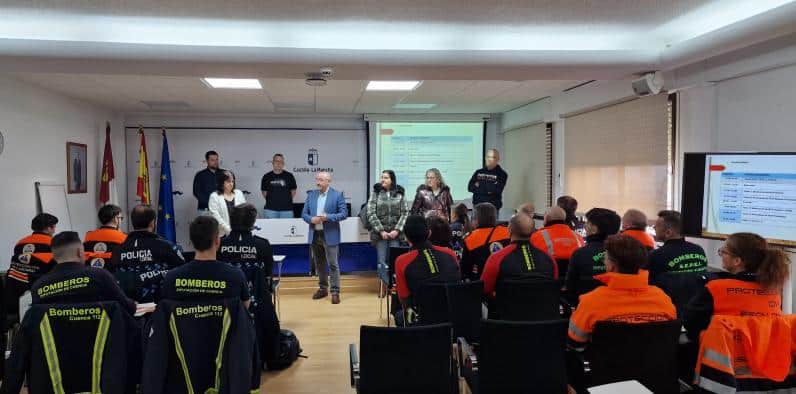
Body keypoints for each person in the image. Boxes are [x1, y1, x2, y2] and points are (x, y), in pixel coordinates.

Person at [683, 232, 789, 341]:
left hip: (721, 355)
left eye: (723, 252)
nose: (721, 255)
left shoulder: (716, 288)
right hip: (762, 356)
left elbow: (690, 323)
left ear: (737, 261)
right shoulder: (773, 291)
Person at [32, 231, 136, 315]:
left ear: (54, 256)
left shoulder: (38, 287)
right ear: (79, 252)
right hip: (102, 339)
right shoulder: (100, 276)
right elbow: (128, 308)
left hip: (54, 340)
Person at [161, 216, 251, 308]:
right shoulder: (235, 276)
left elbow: (167, 310)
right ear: (217, 241)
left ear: (192, 241)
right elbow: (244, 308)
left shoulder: (172, 277)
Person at [109, 205, 184, 303]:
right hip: (159, 308)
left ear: (132, 223)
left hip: (125, 308)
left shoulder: (117, 251)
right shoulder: (166, 247)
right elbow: (183, 269)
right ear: (152, 223)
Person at [394, 215, 460, 323]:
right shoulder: (450, 253)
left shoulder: (401, 261)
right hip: (452, 319)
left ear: (406, 237)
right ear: (429, 233)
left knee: (399, 315)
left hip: (422, 323)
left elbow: (404, 301)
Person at [481, 213, 557, 297]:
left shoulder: (496, 258)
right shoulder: (549, 259)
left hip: (506, 308)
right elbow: (552, 288)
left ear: (509, 230)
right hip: (544, 308)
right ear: (533, 231)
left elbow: (484, 289)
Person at [302, 172, 348, 304]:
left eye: (321, 180)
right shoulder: (311, 195)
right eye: (317, 179)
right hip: (315, 234)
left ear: (329, 181)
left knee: (333, 264)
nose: (318, 182)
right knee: (319, 264)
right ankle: (323, 289)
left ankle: (335, 291)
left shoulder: (337, 195)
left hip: (330, 234)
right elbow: (304, 214)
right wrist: (312, 219)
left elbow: (344, 214)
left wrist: (328, 217)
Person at [5, 213, 58, 315]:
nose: (54, 231)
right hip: (44, 292)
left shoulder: (20, 243)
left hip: (17, 290)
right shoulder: (54, 243)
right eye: (53, 227)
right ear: (48, 228)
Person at [564, 208, 621, 302]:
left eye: (587, 222)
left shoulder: (580, 254)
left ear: (594, 229)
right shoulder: (626, 253)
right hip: (619, 308)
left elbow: (570, 288)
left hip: (586, 307)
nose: (585, 225)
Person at [367, 170, 408, 291]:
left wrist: (397, 230)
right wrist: (381, 231)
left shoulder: (400, 193)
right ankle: (383, 285)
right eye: (382, 177)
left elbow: (405, 213)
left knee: (395, 260)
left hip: (395, 234)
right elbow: (370, 213)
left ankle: (394, 286)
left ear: (392, 180)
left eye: (386, 178)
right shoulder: (376, 193)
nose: (382, 180)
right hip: (381, 235)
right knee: (381, 261)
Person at [219, 203, 275, 278]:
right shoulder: (263, 244)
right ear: (252, 223)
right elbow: (268, 274)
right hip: (255, 288)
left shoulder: (218, 243)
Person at [647, 210, 707, 279]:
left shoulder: (656, 256)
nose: (654, 228)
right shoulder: (699, 250)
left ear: (668, 233)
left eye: (657, 226)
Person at [460, 203, 510, 281]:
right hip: (507, 279)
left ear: (476, 220)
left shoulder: (470, 238)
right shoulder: (508, 232)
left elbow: (465, 269)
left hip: (482, 282)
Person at [530, 206, 584, 277]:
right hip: (573, 281)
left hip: (548, 279)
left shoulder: (536, 236)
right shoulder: (578, 237)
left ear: (547, 218)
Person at [84, 204, 127, 268]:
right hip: (112, 275)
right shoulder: (124, 237)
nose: (121, 220)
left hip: (90, 273)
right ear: (116, 219)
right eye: (121, 218)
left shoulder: (88, 235)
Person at [467, 149, 508, 214]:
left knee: (491, 224)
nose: (489, 159)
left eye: (493, 157)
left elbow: (496, 190)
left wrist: (479, 185)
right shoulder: (478, 172)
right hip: (477, 208)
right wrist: (489, 186)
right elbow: (470, 187)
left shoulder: (502, 174)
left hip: (492, 209)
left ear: (498, 159)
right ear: (485, 158)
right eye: (488, 157)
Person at [208, 170, 246, 237]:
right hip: (221, 234)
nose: (231, 184)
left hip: (239, 233)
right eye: (228, 181)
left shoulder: (239, 193)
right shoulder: (214, 196)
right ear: (222, 182)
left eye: (232, 181)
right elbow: (216, 216)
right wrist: (228, 229)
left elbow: (245, 211)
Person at [260, 153, 298, 219]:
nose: (278, 163)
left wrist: (285, 201)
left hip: (287, 210)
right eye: (276, 161)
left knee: (287, 229)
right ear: (272, 162)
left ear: (283, 164)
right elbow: (264, 193)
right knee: (271, 229)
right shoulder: (266, 176)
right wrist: (273, 201)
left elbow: (293, 191)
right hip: (270, 210)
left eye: (281, 161)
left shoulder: (289, 176)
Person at [193, 150, 222, 215]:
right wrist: (211, 203)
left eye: (216, 159)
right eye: (212, 160)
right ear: (207, 161)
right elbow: (196, 192)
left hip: (222, 209)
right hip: (204, 210)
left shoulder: (225, 174)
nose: (215, 162)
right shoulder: (200, 175)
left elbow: (229, 190)